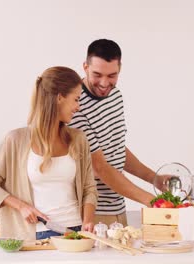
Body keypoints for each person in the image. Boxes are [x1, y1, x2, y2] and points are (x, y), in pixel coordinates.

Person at [0, 66, 97, 240]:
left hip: (75, 232)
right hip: (35, 234)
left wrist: (87, 222)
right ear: (59, 98)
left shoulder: (78, 139)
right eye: (76, 100)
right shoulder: (15, 140)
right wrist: (21, 206)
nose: (78, 107)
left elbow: (89, 188)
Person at [68, 39, 159, 226]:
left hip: (118, 209)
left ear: (120, 69)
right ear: (85, 67)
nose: (104, 83)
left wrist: (155, 179)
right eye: (97, 74)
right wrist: (151, 201)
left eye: (112, 76)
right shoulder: (75, 106)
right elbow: (99, 167)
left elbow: (116, 150)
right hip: (91, 215)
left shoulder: (115, 96)